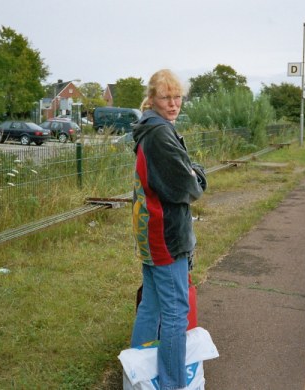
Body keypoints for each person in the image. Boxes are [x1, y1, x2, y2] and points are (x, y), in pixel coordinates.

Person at [130, 69, 207, 390]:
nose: (174, 103)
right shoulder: (160, 134)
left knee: (152, 304)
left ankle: (138, 374)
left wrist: (192, 172)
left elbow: (185, 175)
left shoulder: (153, 128)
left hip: (152, 231)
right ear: (153, 98)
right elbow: (186, 187)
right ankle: (173, 385)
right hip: (166, 236)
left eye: (177, 97)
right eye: (166, 97)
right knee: (176, 313)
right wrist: (197, 175)